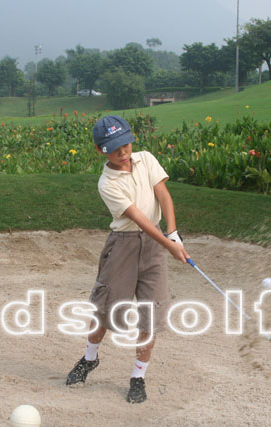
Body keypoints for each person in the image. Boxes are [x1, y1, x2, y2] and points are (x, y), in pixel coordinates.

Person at [65, 115, 190, 403]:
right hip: (123, 246)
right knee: (106, 310)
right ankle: (90, 358)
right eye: (113, 149)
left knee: (150, 315)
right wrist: (169, 246)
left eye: (125, 144)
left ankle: (137, 377)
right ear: (100, 150)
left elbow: (163, 195)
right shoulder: (106, 183)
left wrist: (173, 233)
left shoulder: (146, 159)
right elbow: (139, 219)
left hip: (154, 247)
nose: (122, 153)